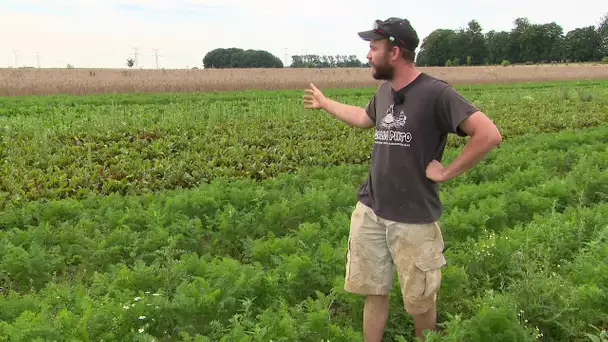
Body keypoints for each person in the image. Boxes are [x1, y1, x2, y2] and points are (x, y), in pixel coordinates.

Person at [302, 17, 502, 342]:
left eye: (373, 48)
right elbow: (362, 118)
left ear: (394, 52)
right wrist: (325, 103)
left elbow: (489, 134)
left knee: (420, 303)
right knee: (373, 290)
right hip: (371, 209)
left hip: (413, 218)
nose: (368, 55)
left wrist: (447, 171)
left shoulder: (437, 93)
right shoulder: (384, 92)